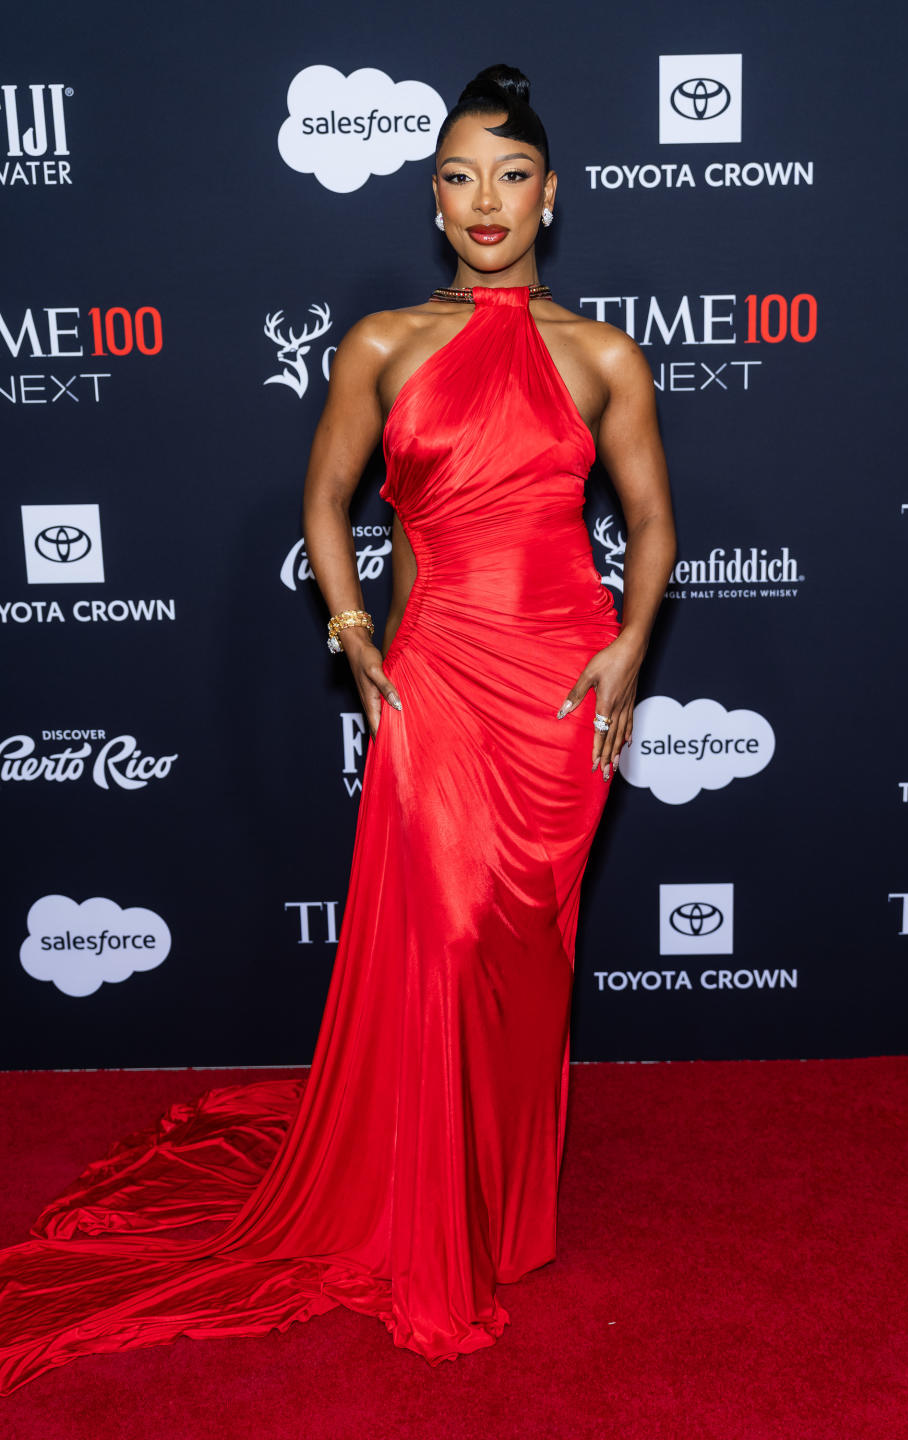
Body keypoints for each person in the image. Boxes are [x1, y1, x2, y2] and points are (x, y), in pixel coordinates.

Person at [0, 64, 675, 1396]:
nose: (487, 200)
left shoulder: (604, 354)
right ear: (433, 200)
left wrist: (630, 648)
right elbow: (325, 503)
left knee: (528, 948)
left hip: (557, 686)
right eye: (460, 177)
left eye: (512, 173)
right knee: (454, 932)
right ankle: (423, 1211)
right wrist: (356, 634)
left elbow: (652, 521)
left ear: (553, 191)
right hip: (436, 673)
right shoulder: (381, 342)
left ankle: (498, 1208)